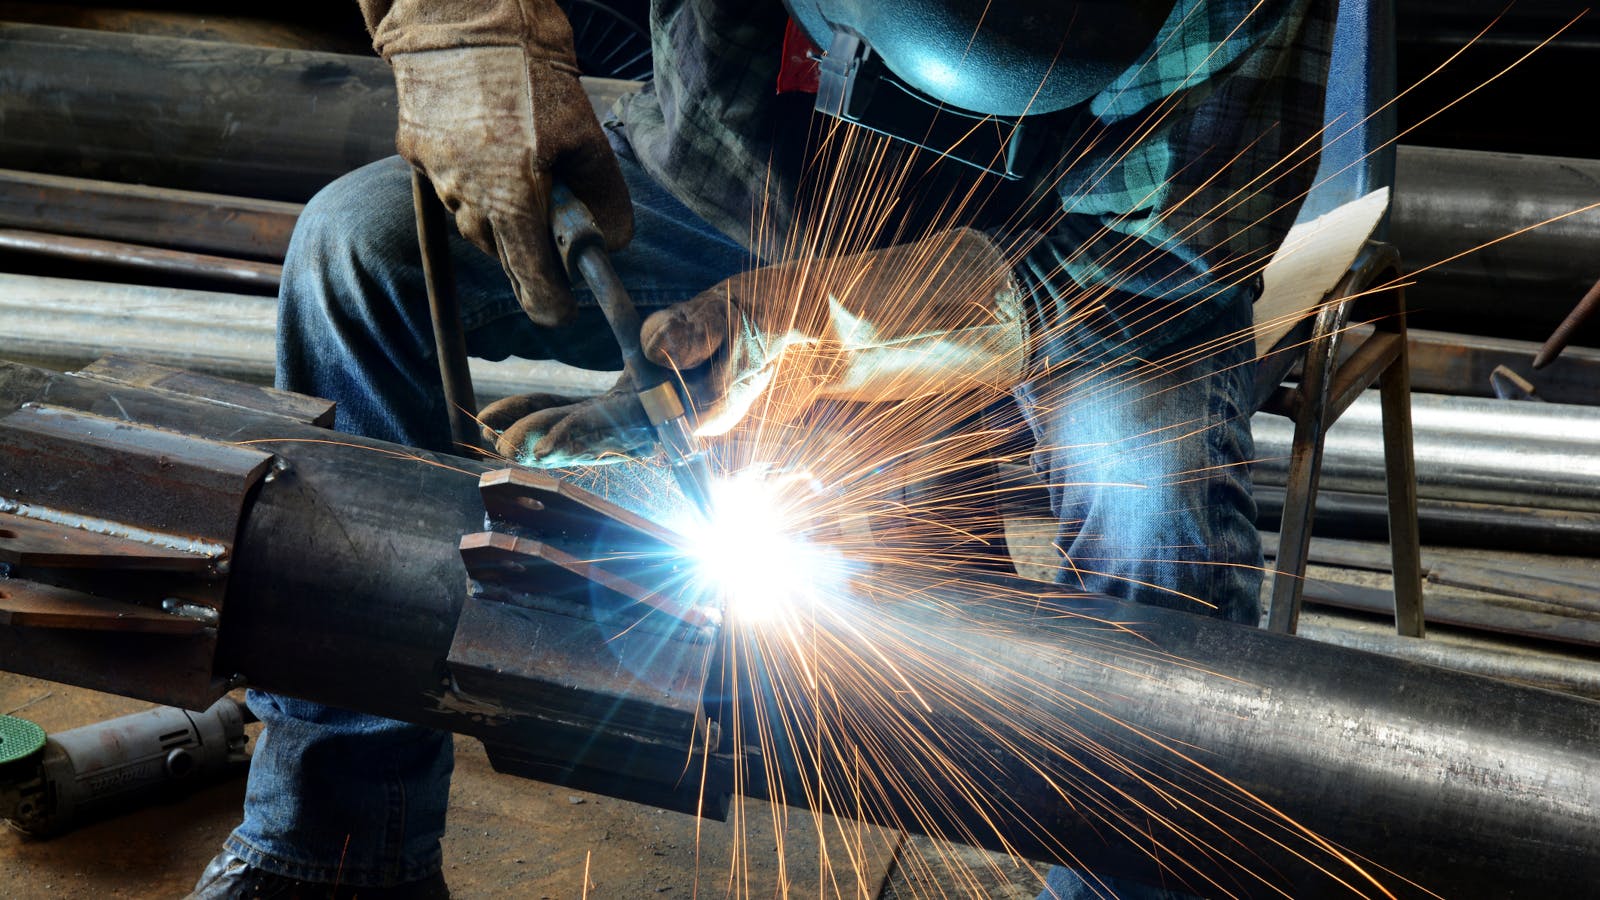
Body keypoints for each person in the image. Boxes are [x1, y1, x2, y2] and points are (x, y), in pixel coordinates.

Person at [187, 0, 1332, 897]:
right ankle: (335, 842)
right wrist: (463, 28)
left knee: (1151, 490)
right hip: (736, 181)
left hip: (1069, 252)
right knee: (362, 248)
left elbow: (1160, 256)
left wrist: (834, 328)